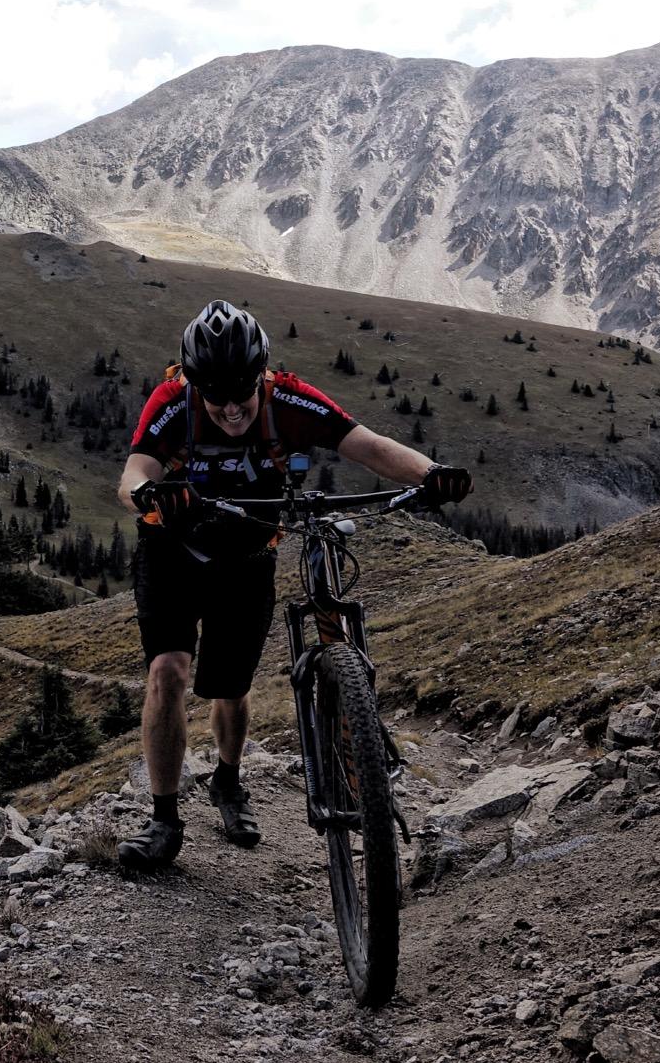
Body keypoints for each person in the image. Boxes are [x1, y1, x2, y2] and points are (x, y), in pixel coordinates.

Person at [114, 300, 473, 872]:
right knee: (168, 672)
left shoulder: (290, 398)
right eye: (217, 396)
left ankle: (228, 783)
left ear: (262, 375)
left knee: (230, 688)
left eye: (242, 393)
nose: (231, 409)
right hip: (172, 551)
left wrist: (431, 474)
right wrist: (150, 495)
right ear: (195, 383)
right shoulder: (173, 401)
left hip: (250, 554)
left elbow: (368, 445)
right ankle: (163, 819)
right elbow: (134, 473)